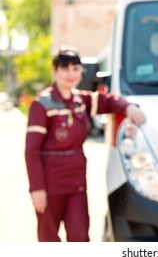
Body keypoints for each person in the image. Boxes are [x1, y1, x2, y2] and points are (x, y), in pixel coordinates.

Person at [24, 46, 146, 242]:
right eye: (65, 69)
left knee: (80, 236)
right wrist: (37, 189)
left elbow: (107, 101)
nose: (71, 74)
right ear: (55, 71)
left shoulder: (81, 100)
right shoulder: (42, 104)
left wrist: (128, 106)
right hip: (50, 186)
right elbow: (32, 150)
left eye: (75, 68)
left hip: (76, 186)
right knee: (48, 239)